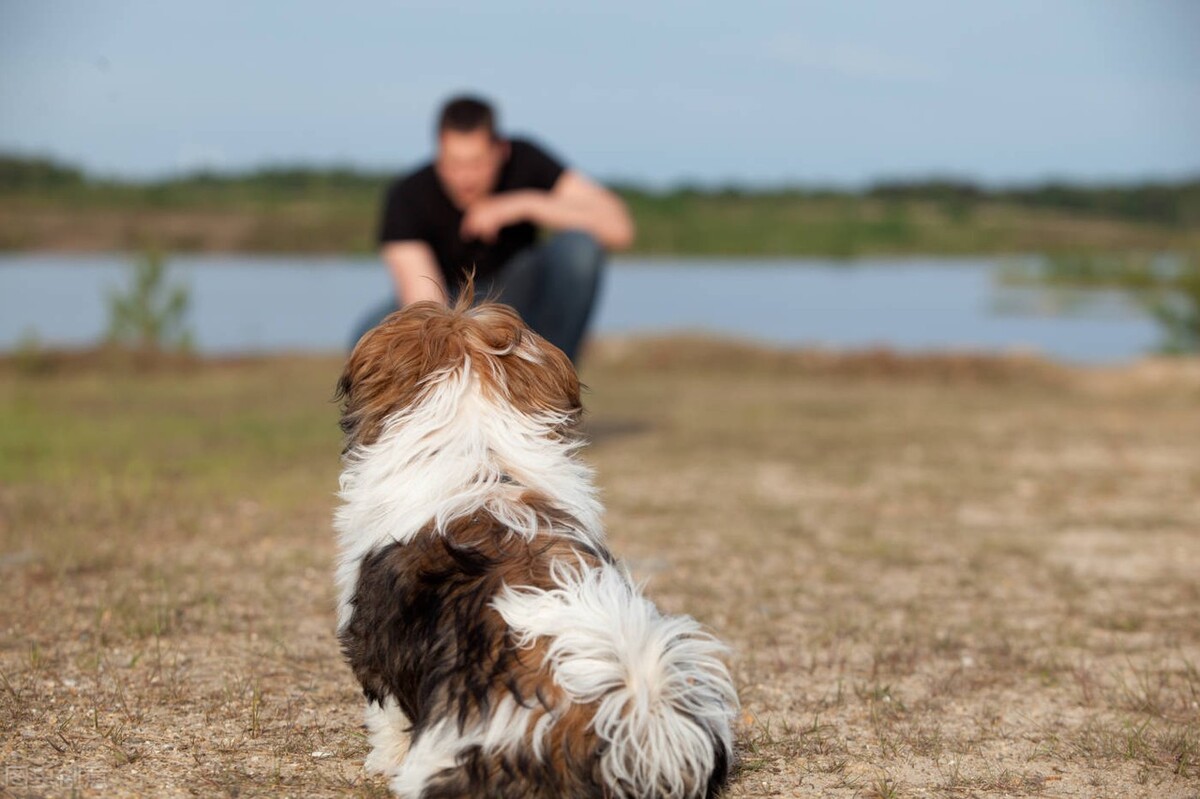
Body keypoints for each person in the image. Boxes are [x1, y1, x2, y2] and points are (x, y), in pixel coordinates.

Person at [353, 95, 634, 363]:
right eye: (454, 164)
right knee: (367, 336)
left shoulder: (526, 160)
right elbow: (425, 303)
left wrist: (523, 204)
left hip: (518, 292)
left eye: (476, 164)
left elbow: (619, 229)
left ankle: (553, 387)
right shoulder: (408, 195)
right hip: (447, 301)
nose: (465, 178)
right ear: (439, 152)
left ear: (501, 150)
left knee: (579, 249)